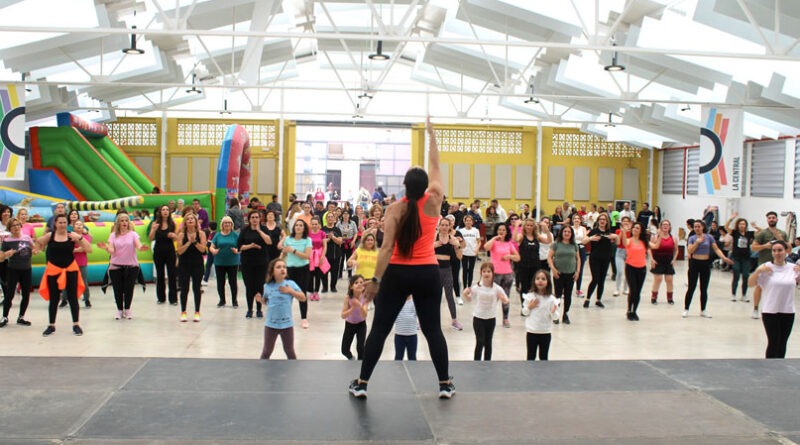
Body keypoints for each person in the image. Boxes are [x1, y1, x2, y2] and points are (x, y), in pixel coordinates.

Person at [349, 117, 454, 400]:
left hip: (396, 274)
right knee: (433, 331)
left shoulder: (394, 209)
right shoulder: (434, 200)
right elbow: (435, 166)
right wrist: (432, 136)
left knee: (380, 329)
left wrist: (375, 280)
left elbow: (386, 249)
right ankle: (444, 384)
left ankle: (362, 383)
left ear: (404, 185)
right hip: (427, 274)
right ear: (425, 187)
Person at [35, 214, 91, 336]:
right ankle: (51, 325)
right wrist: (38, 249)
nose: (62, 225)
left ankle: (76, 324)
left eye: (64, 222)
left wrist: (80, 238)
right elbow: (38, 241)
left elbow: (88, 248)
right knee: (54, 299)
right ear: (55, 223)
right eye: (60, 222)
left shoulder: (72, 236)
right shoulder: (50, 236)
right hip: (54, 270)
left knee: (72, 298)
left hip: (70, 270)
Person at [748, 240, 798, 358]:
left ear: (786, 251)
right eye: (774, 250)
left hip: (788, 310)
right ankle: (770, 368)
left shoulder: (793, 268)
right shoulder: (766, 267)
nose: (777, 253)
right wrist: (758, 271)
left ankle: (780, 367)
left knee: (782, 342)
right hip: (770, 311)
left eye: (780, 250)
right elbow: (750, 283)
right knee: (773, 342)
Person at [98, 212, 149, 320]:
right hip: (116, 266)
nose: (124, 223)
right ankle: (119, 310)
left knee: (129, 288)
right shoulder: (113, 236)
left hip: (131, 266)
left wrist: (141, 248)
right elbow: (112, 250)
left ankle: (128, 309)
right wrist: (106, 248)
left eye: (126, 220)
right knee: (118, 289)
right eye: (122, 221)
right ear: (118, 223)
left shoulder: (133, 234)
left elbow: (138, 244)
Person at [255, 258, 306, 359]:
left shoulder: (291, 284)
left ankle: (293, 371)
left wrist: (291, 291)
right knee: (266, 351)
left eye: (284, 267)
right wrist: (260, 300)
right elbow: (266, 301)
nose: (282, 269)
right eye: (278, 267)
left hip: (287, 325)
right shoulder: (267, 286)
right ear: (272, 271)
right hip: (271, 325)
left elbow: (303, 298)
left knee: (290, 351)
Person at [682, 220, 733, 318]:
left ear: (703, 227)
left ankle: (703, 310)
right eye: (695, 226)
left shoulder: (709, 237)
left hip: (705, 264)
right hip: (694, 264)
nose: (697, 228)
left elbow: (716, 249)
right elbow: (690, 250)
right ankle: (686, 309)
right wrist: (697, 243)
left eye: (699, 226)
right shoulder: (692, 238)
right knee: (691, 287)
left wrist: (724, 258)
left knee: (704, 288)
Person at [462, 262, 509, 361]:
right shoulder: (477, 287)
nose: (486, 273)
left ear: (492, 273)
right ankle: (477, 362)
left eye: (488, 271)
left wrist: (503, 299)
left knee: (488, 342)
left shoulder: (497, 288)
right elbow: (469, 299)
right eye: (484, 271)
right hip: (478, 318)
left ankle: (488, 364)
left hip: (491, 319)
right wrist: (465, 294)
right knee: (480, 341)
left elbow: (506, 300)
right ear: (481, 273)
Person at [1, 218, 39, 327]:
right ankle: (5, 317)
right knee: (10, 294)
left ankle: (21, 317)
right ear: (9, 229)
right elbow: (0, 258)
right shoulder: (7, 241)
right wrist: (7, 254)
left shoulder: (26, 238)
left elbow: (35, 248)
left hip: (26, 269)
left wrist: (35, 250)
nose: (17, 227)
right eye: (14, 226)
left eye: (18, 225)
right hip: (13, 269)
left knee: (26, 294)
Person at [751, 211, 789, 319]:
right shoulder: (762, 233)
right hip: (764, 263)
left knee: (779, 287)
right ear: (767, 220)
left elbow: (788, 248)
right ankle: (755, 308)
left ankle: (777, 308)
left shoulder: (783, 233)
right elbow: (753, 247)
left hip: (780, 265)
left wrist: (780, 238)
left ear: (777, 219)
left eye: (773, 218)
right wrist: (764, 246)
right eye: (769, 218)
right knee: (759, 286)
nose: (771, 219)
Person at [483, 223, 520, 328]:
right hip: (495, 274)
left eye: (503, 230)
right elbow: (486, 247)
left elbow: (518, 257)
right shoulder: (493, 242)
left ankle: (505, 319)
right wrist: (495, 238)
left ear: (507, 232)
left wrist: (510, 256)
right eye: (499, 230)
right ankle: (490, 317)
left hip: (507, 274)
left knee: (505, 297)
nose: (501, 232)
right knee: (492, 296)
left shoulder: (509, 243)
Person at [237, 210, 272, 318]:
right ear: (249, 219)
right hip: (247, 262)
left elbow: (269, 241)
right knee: (249, 286)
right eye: (252, 217)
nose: (255, 219)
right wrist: (250, 246)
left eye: (257, 217)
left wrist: (259, 231)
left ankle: (259, 309)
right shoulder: (245, 230)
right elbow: (240, 246)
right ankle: (249, 309)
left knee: (259, 286)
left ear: (260, 219)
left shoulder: (264, 229)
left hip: (261, 262)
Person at [278, 219, 313, 328]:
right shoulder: (288, 239)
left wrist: (293, 251)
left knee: (302, 293)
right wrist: (279, 263)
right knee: (287, 293)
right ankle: (285, 317)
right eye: (296, 225)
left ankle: (304, 318)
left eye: (300, 225)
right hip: (290, 269)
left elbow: (307, 255)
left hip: (303, 269)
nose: (298, 227)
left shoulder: (307, 240)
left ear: (304, 228)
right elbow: (281, 250)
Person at [176, 212, 207, 322]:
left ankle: (197, 312)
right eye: (187, 219)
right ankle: (183, 311)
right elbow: (179, 251)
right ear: (185, 222)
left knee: (196, 288)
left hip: (197, 264)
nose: (190, 220)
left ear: (195, 222)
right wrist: (189, 242)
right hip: (184, 264)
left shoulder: (201, 234)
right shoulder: (181, 235)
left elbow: (203, 249)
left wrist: (194, 242)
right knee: (184, 288)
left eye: (192, 219)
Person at [522, 269, 559, 360]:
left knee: (544, 357)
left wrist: (553, 312)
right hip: (532, 332)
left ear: (548, 282)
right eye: (538, 278)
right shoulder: (530, 296)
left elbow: (555, 318)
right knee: (531, 356)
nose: (540, 281)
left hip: (545, 332)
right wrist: (530, 307)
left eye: (543, 279)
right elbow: (524, 312)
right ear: (534, 281)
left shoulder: (551, 299)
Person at [434, 217, 464, 330]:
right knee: (432, 296)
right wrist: (434, 245)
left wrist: (457, 245)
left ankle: (454, 321)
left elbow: (460, 257)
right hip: (434, 269)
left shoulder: (453, 239)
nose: (445, 227)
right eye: (443, 225)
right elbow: (424, 250)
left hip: (447, 270)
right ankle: (425, 320)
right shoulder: (434, 237)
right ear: (439, 226)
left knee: (449, 296)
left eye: (447, 225)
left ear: (450, 226)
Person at [582, 213, 617, 308]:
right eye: (600, 219)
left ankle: (598, 300)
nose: (602, 221)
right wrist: (591, 238)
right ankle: (587, 299)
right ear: (598, 221)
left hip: (605, 259)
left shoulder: (609, 232)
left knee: (602, 280)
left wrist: (615, 237)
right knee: (595, 279)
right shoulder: (594, 231)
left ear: (606, 222)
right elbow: (583, 241)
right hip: (595, 259)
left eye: (604, 219)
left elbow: (617, 240)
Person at [548, 225, 579, 325]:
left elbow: (578, 259)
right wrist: (553, 269)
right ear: (561, 232)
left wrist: (577, 271)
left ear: (571, 234)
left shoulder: (574, 245)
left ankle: (565, 314)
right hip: (559, 273)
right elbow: (549, 257)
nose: (566, 233)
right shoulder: (556, 244)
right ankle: (555, 314)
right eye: (565, 231)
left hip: (570, 273)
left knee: (568, 295)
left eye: (569, 232)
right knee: (557, 295)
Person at [620, 222, 650, 321]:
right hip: (630, 268)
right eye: (634, 228)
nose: (635, 229)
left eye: (637, 228)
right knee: (633, 290)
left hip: (641, 269)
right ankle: (629, 310)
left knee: (638, 292)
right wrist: (624, 232)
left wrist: (660, 235)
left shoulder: (644, 242)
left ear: (641, 231)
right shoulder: (629, 241)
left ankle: (634, 311)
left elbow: (655, 246)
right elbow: (624, 243)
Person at [149, 205, 178, 305]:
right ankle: (161, 298)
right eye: (163, 210)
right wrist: (153, 229)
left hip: (170, 251)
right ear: (160, 212)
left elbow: (176, 238)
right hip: (158, 251)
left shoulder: (172, 224)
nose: (165, 211)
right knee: (160, 275)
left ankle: (173, 298)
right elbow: (150, 238)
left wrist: (174, 236)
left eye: (167, 210)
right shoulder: (155, 223)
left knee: (172, 274)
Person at [514, 218, 545, 310]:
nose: (529, 227)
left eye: (531, 225)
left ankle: (533, 305)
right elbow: (514, 239)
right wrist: (516, 226)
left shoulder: (537, 236)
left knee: (534, 287)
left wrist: (546, 230)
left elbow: (548, 241)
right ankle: (524, 306)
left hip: (535, 265)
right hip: (523, 265)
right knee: (524, 287)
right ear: (524, 226)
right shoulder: (521, 236)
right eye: (527, 225)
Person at [209, 216, 239, 308]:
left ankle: (234, 300)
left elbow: (240, 247)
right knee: (220, 282)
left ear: (232, 224)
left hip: (232, 262)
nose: (227, 224)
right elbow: (211, 246)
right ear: (222, 224)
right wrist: (213, 251)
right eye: (225, 223)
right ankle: (222, 300)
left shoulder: (235, 235)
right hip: (219, 262)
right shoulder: (217, 235)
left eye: (229, 223)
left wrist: (236, 251)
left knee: (232, 281)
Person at [725, 214, 755, 303]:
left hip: (746, 257)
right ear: (738, 225)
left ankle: (744, 295)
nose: (742, 225)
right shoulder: (735, 233)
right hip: (736, 257)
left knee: (746, 275)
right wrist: (731, 218)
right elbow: (726, 227)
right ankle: (733, 294)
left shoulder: (749, 234)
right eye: (740, 224)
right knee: (736, 274)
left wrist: (756, 226)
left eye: (744, 224)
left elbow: (760, 232)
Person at [649, 220, 678, 305]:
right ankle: (654, 297)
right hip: (658, 260)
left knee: (669, 280)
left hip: (668, 261)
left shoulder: (673, 238)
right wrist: (652, 259)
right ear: (660, 227)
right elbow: (650, 249)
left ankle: (670, 298)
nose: (665, 226)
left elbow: (676, 250)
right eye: (664, 225)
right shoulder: (655, 237)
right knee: (658, 279)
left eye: (667, 225)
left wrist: (674, 259)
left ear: (669, 227)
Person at [341, 275, 369, 360]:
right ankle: (352, 359)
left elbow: (364, 315)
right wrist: (352, 308)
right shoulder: (348, 298)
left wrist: (359, 305)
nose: (359, 284)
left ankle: (360, 365)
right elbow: (343, 315)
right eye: (356, 283)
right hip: (349, 325)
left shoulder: (365, 297)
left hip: (361, 325)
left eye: (361, 282)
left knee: (361, 348)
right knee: (344, 350)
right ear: (351, 286)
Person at [72, 220, 92, 308]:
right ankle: (65, 299)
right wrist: (78, 249)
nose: (79, 226)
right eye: (77, 224)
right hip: (71, 263)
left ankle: (87, 299)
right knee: (69, 282)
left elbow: (87, 248)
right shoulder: (70, 236)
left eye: (81, 224)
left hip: (82, 262)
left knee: (84, 281)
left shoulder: (85, 237)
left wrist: (78, 249)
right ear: (73, 227)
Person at [307, 217, 329, 299]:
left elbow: (325, 246)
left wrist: (323, 256)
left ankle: (316, 292)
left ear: (319, 225)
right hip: (310, 255)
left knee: (318, 275)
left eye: (316, 224)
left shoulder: (322, 233)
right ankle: (311, 291)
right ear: (310, 225)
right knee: (310, 275)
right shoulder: (308, 234)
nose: (314, 225)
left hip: (319, 255)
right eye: (313, 224)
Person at [322, 213, 343, 293]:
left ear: (334, 219)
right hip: (325, 255)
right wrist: (327, 239)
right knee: (324, 272)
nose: (330, 218)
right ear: (326, 219)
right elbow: (320, 242)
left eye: (332, 217)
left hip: (336, 255)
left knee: (335, 272)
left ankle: (333, 287)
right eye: (328, 217)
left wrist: (333, 237)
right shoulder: (322, 230)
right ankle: (325, 287)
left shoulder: (337, 230)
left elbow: (340, 241)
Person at [459, 215, 481, 290]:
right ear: (464, 222)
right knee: (465, 270)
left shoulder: (476, 230)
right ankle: (465, 287)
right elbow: (459, 242)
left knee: (471, 270)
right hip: (464, 253)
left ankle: (469, 286)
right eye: (467, 220)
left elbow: (479, 242)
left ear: (472, 222)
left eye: (470, 220)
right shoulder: (461, 231)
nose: (468, 222)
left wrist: (477, 249)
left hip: (472, 253)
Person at [394, 296, 418, 360]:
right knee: (398, 357)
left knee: (412, 358)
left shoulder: (414, 302)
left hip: (412, 335)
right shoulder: (397, 301)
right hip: (399, 335)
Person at [613, 216, 632, 296]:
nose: (625, 222)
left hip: (629, 252)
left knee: (628, 272)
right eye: (624, 221)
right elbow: (617, 242)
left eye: (627, 221)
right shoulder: (618, 231)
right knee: (620, 271)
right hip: (619, 252)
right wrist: (622, 231)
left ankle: (625, 288)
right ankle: (617, 289)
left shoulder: (632, 232)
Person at [570, 214, 588, 298]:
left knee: (579, 269)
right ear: (572, 220)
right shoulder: (570, 228)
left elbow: (584, 240)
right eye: (575, 218)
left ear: (580, 220)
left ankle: (578, 289)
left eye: (578, 218)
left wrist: (581, 241)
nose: (576, 220)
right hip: (571, 248)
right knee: (570, 269)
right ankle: (567, 289)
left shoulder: (583, 229)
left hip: (581, 248)